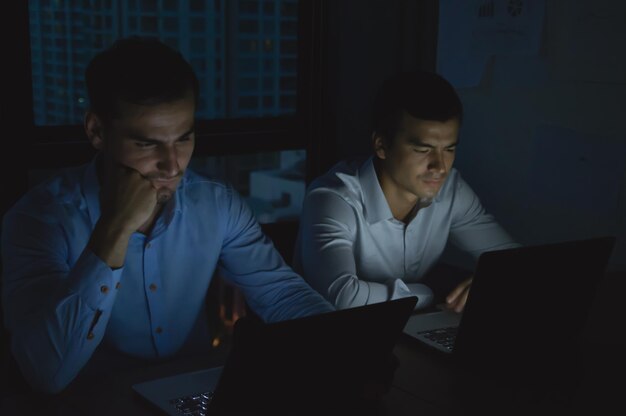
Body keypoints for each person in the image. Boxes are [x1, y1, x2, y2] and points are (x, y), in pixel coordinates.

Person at [0, 36, 334, 394]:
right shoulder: (37, 221)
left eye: (183, 139)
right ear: (97, 131)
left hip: (195, 394)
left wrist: (345, 348)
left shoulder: (216, 204)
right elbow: (45, 373)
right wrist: (114, 229)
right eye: (147, 144)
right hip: (93, 404)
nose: (173, 166)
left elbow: (283, 295)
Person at [293, 70, 521, 313]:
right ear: (381, 145)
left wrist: (490, 283)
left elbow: (518, 263)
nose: (440, 167)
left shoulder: (451, 189)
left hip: (408, 331)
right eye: (423, 150)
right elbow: (341, 297)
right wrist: (427, 292)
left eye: (449, 149)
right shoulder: (332, 198)